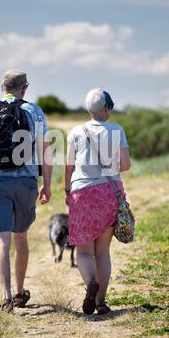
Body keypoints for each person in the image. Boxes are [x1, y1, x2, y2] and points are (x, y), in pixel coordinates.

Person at [0, 70, 52, 312]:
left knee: (2, 239)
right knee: (21, 236)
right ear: (24, 88)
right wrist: (46, 185)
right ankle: (19, 292)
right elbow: (46, 153)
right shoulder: (34, 110)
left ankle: (6, 297)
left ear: (2, 87)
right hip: (26, 182)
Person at [65, 88, 131, 315]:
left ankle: (90, 282)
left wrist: (67, 189)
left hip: (82, 192)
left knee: (83, 251)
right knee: (103, 251)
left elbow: (69, 166)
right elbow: (125, 165)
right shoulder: (117, 130)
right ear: (106, 108)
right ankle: (101, 302)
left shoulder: (75, 131)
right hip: (109, 193)